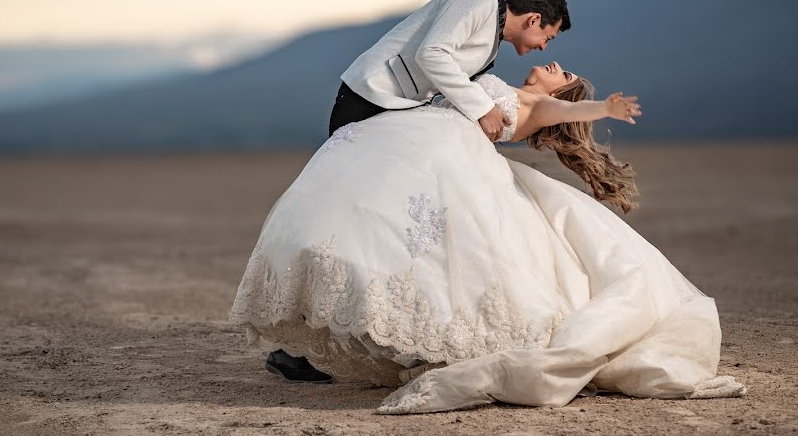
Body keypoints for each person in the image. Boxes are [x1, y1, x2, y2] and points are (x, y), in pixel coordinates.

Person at [228, 64, 747, 411]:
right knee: (388, 248)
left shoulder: (540, 106)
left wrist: (603, 108)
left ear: (559, 89)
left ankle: (391, 346)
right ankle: (337, 336)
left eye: (561, 71)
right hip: (427, 162)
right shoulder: (499, 83)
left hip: (460, 177)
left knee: (443, 266)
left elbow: (569, 112)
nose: (551, 64)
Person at [264, 0, 572, 383]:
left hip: (398, 116)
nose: (543, 47)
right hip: (368, 102)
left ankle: (384, 333)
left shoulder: (491, 44)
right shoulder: (477, 3)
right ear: (534, 18)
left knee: (388, 229)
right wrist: (481, 108)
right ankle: (292, 346)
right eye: (546, 36)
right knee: (347, 221)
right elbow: (432, 54)